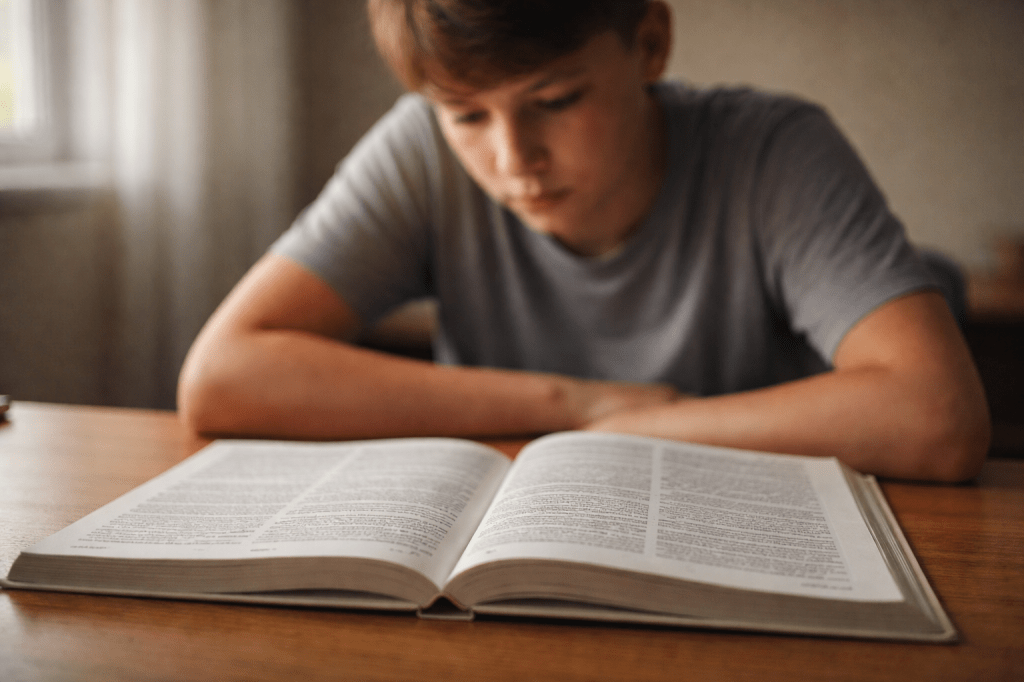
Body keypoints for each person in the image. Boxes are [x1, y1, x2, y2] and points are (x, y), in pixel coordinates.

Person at [177, 0, 990, 482]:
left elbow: (936, 416)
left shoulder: (774, 152)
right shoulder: (420, 149)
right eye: (466, 115)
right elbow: (222, 378)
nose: (512, 159)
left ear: (649, 43)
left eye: (557, 100)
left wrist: (633, 429)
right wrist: (575, 404)